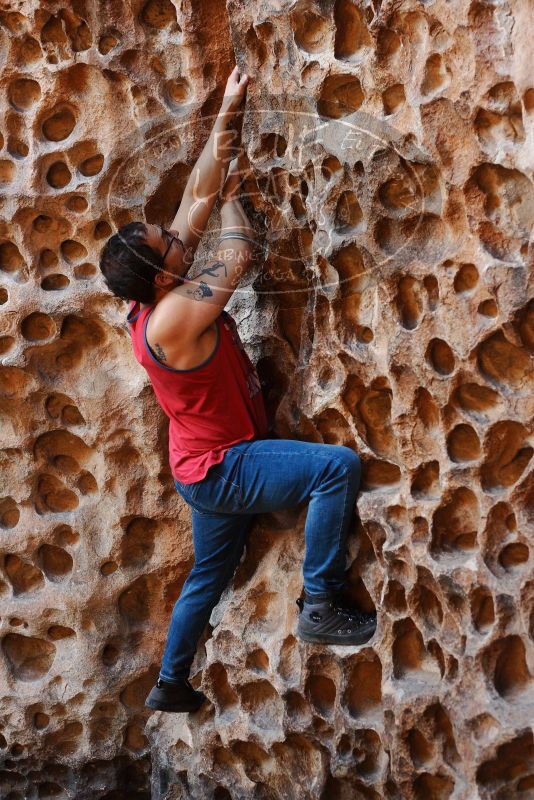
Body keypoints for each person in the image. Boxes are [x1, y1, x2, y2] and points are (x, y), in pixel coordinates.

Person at [99, 65, 376, 714]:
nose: (173, 234)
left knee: (208, 575)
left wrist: (229, 109)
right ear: (159, 270)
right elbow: (236, 254)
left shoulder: (155, 295)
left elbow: (197, 194)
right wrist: (234, 196)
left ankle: (170, 682)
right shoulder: (172, 317)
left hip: (200, 465)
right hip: (225, 467)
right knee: (335, 470)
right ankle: (321, 602)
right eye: (165, 241)